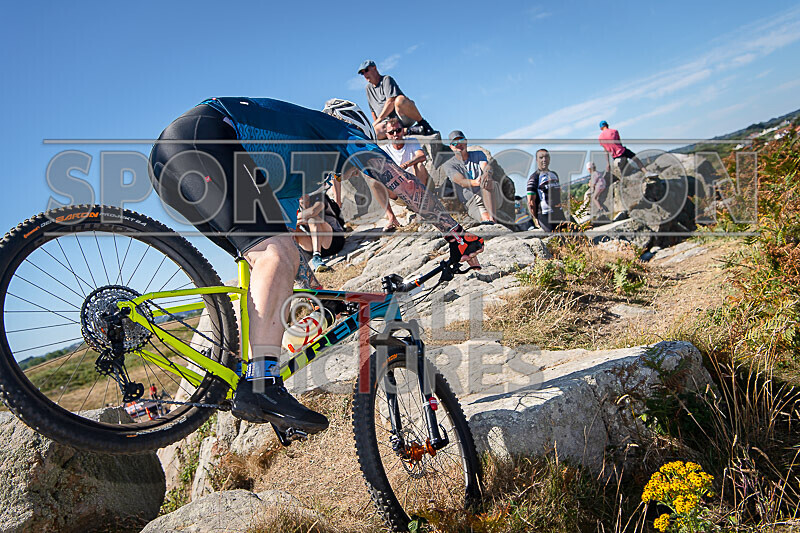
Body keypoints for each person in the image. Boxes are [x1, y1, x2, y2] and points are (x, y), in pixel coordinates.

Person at [148, 97, 484, 436]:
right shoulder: (336, 131)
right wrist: (457, 234)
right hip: (201, 139)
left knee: (269, 257)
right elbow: (405, 184)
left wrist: (319, 294)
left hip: (171, 166)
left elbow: (292, 249)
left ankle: (247, 382)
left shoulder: (297, 175)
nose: (357, 169)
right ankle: (262, 385)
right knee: (272, 255)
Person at [358, 60, 434, 139]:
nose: (365, 74)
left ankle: (423, 123)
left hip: (401, 116)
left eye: (366, 70)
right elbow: (373, 111)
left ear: (374, 68)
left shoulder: (386, 79)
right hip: (387, 124)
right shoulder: (368, 89)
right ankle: (409, 130)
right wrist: (376, 124)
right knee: (374, 133)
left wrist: (378, 120)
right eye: (362, 73)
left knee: (400, 100)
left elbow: (390, 102)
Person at [442, 131, 497, 224]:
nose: (459, 144)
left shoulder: (478, 154)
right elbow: (461, 181)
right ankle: (491, 222)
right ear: (451, 147)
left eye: (461, 141)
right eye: (455, 143)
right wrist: (477, 182)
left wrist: (486, 174)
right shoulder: (449, 165)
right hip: (472, 201)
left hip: (492, 193)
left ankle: (493, 220)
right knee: (485, 219)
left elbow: (486, 167)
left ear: (466, 142)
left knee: (488, 182)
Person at [295, 193, 347, 272]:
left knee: (313, 219)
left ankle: (317, 258)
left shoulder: (319, 197)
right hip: (311, 245)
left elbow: (313, 211)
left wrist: (297, 219)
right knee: (292, 228)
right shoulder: (294, 206)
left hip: (333, 241)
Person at [527, 149, 567, 232]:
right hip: (544, 215)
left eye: (546, 157)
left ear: (549, 158)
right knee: (555, 240)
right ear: (537, 160)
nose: (544, 160)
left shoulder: (554, 174)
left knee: (574, 238)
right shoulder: (534, 178)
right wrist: (536, 219)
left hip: (559, 213)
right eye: (541, 158)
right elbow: (531, 202)